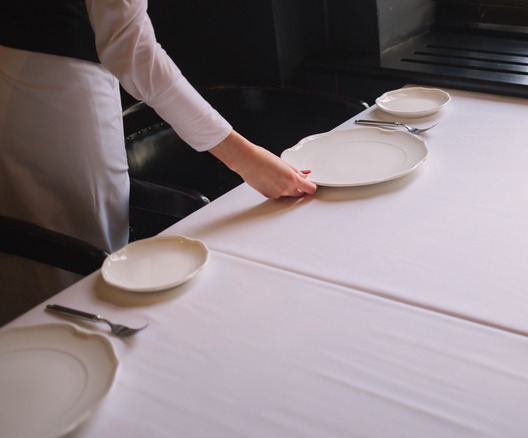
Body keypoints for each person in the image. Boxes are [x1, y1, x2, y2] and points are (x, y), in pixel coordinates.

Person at [0, 0, 316, 324]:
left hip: (15, 81)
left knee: (28, 251)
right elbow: (135, 54)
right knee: (77, 248)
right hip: (60, 101)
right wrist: (247, 159)